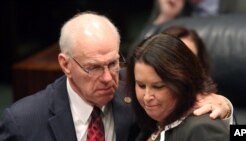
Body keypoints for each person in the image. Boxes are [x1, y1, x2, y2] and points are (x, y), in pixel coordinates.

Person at [0, 12, 231, 141]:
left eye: (113, 64)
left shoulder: (136, 95)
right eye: (93, 67)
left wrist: (227, 113)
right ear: (66, 65)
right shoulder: (23, 123)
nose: (109, 79)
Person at [126, 33, 229, 141]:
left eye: (158, 86)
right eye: (141, 85)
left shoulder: (201, 128)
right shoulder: (151, 124)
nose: (147, 97)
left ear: (182, 83)